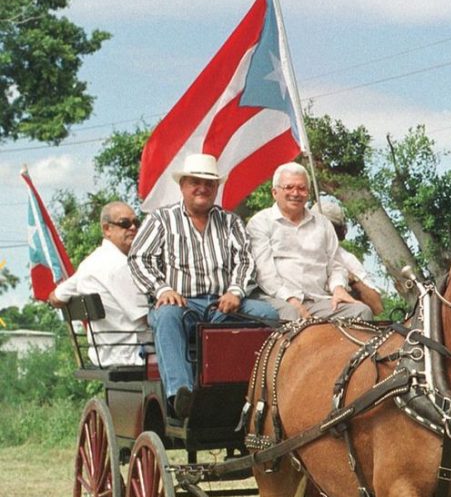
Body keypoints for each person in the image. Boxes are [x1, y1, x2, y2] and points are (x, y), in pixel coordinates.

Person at [128, 153, 278, 417]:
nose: (202, 188)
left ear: (216, 189)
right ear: (183, 185)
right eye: (195, 182)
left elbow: (245, 261)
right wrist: (163, 290)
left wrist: (235, 291)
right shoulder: (162, 219)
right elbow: (139, 258)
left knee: (268, 315)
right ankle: (181, 395)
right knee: (165, 315)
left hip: (223, 306)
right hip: (183, 305)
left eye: (209, 184)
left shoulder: (230, 222)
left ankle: (262, 392)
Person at [246, 162, 373, 322]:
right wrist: (291, 300)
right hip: (277, 300)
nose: (296, 193)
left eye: (302, 188)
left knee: (362, 311)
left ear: (308, 193)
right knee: (292, 316)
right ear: (274, 192)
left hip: (319, 301)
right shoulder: (260, 222)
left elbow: (336, 264)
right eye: (289, 187)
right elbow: (265, 275)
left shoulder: (323, 223)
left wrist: (338, 287)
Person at [48, 201, 149, 366]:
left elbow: (55, 297)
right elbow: (146, 317)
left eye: (136, 223)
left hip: (103, 355)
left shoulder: (90, 264)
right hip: (133, 354)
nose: (133, 228)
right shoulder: (121, 265)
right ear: (107, 229)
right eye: (125, 223)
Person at [319, 199, 384, 316]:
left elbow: (377, 307)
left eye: (330, 227)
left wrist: (352, 279)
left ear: (339, 232)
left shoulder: (347, 259)